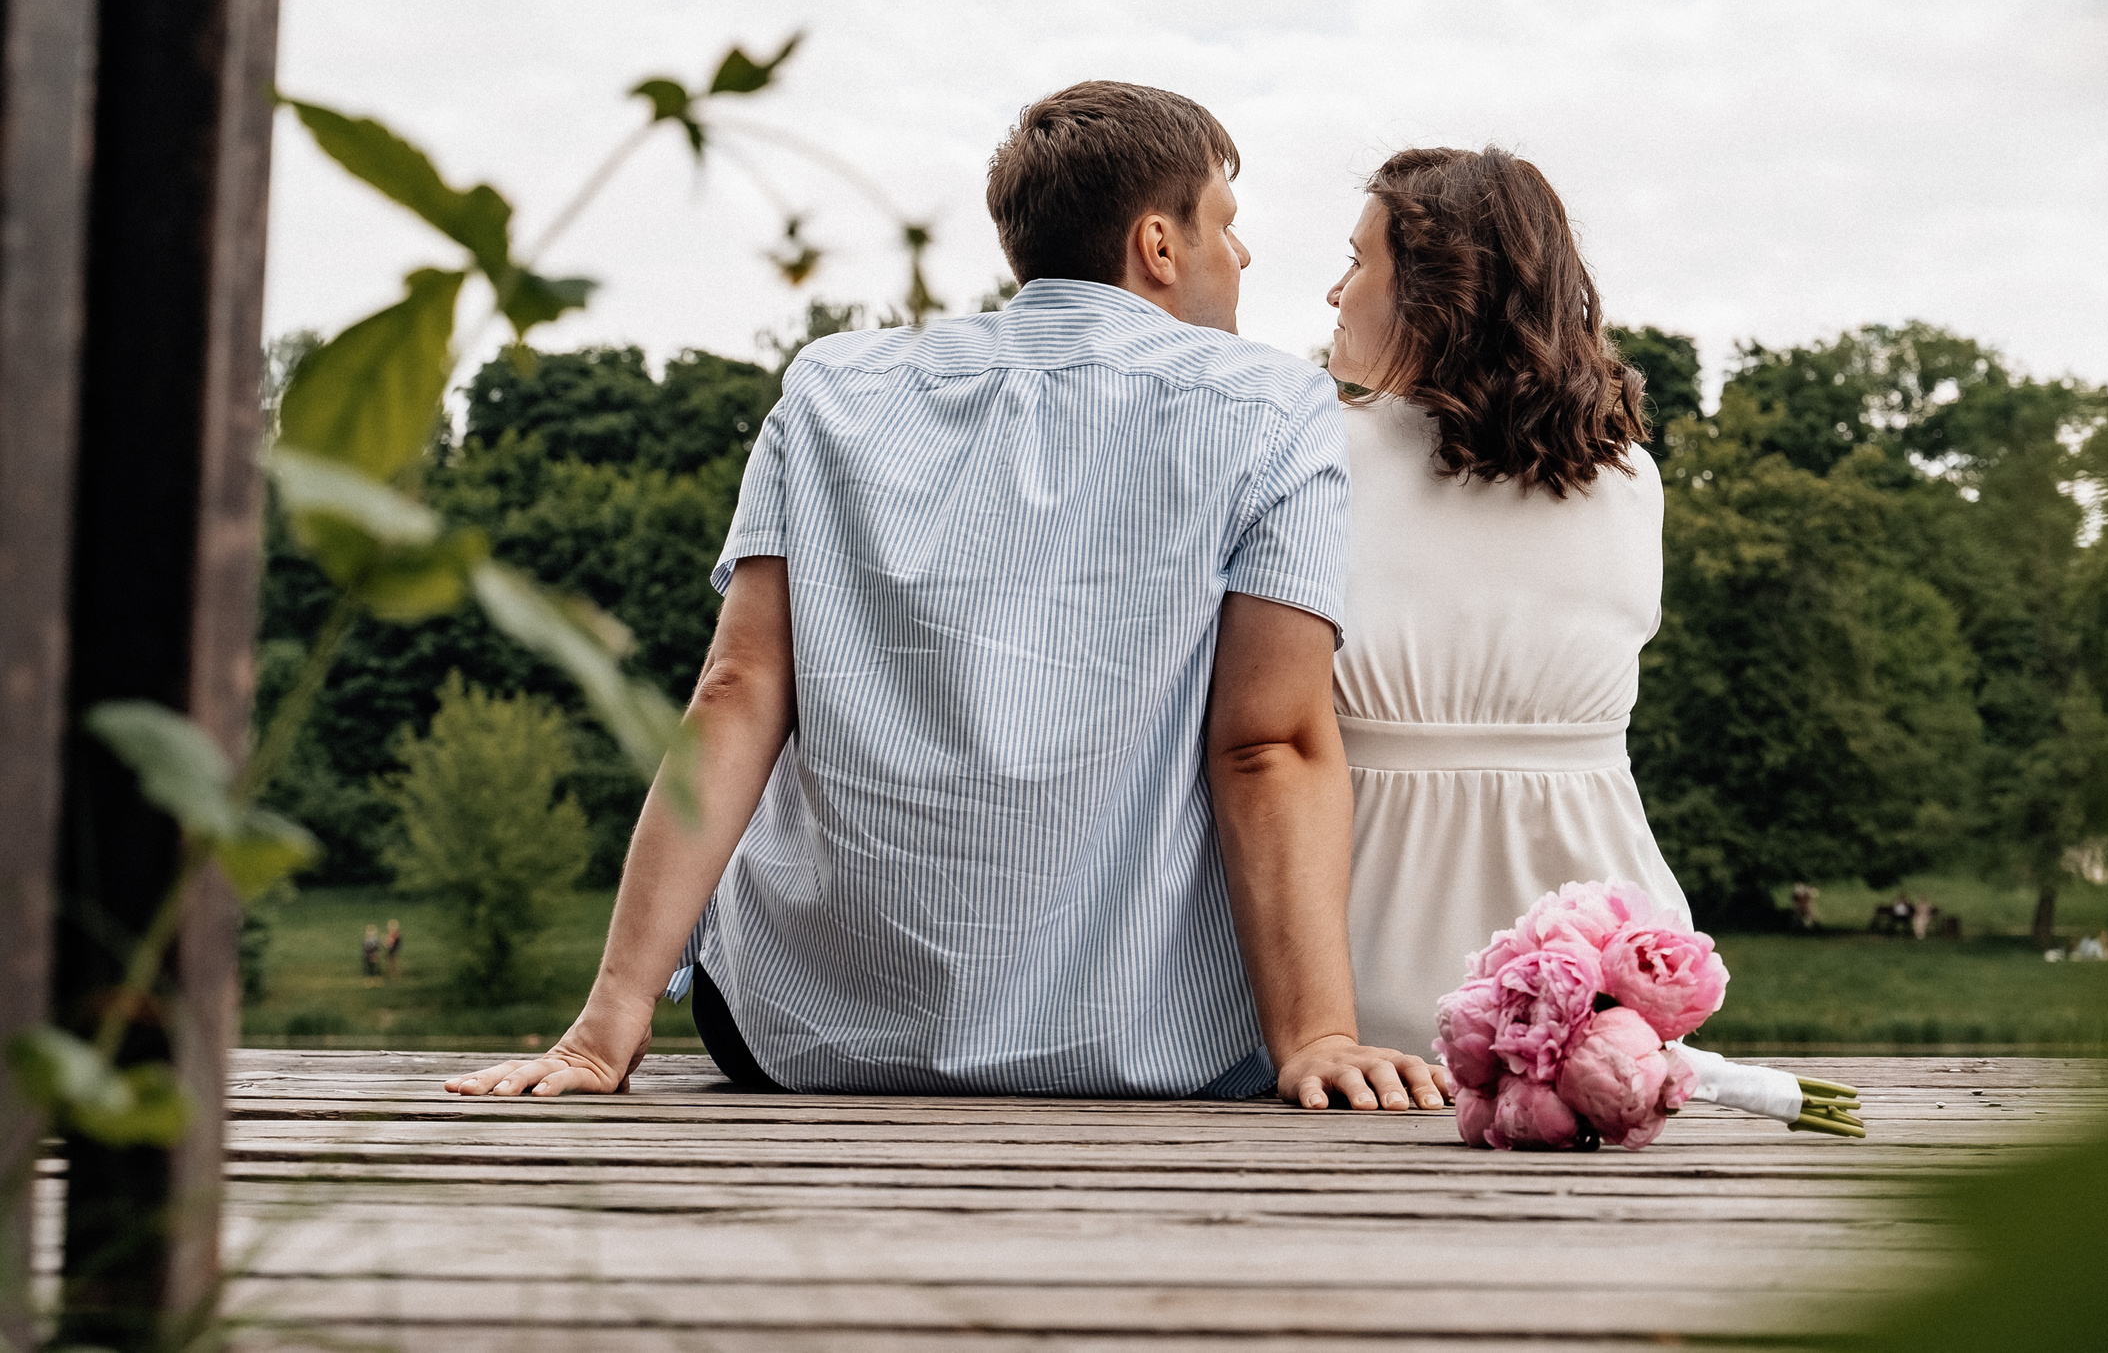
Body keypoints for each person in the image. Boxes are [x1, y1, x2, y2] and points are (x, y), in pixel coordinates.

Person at [448, 81, 1445, 1113]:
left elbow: (736, 693)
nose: (1240, 259)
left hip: (801, 1035)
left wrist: (606, 1024)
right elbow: (1267, 744)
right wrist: (1321, 1036)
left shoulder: (829, 388)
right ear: (1158, 243)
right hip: (1140, 1043)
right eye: (1225, 228)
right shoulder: (1274, 407)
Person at [1321, 146, 1691, 1055]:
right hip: (1606, 978)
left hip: (1363, 974)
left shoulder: (1318, 456)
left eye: (1359, 259)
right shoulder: (1628, 474)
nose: (1335, 291)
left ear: (1431, 290)